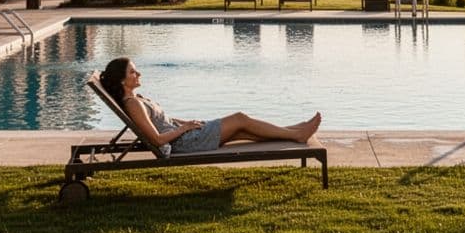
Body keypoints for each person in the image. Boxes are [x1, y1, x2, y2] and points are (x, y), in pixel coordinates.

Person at [99, 57, 321, 154]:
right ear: (121, 80)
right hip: (184, 143)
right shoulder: (133, 105)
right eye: (132, 72)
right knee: (240, 119)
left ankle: (292, 131)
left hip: (185, 135)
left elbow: (162, 122)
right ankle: (295, 134)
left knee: (242, 131)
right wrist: (185, 129)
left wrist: (185, 122)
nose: (138, 73)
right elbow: (157, 139)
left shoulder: (136, 99)